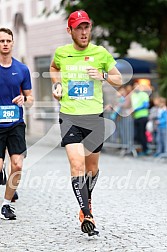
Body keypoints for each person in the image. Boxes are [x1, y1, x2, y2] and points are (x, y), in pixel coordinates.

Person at [50, 10, 122, 236]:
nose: (83, 32)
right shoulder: (61, 53)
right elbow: (54, 68)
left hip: (94, 117)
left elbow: (119, 79)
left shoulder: (101, 53)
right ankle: (87, 213)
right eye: (79, 27)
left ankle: (86, 201)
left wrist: (102, 76)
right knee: (77, 165)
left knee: (91, 169)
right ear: (69, 30)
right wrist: (57, 85)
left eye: (86, 27)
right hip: (69, 116)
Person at [0, 28, 34, 220]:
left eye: (8, 40)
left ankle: (6, 205)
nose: (5, 44)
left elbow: (31, 99)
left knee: (18, 165)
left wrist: (24, 99)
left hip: (15, 123)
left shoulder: (22, 69)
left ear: (13, 43)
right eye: (1, 40)